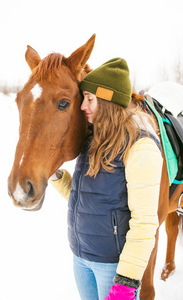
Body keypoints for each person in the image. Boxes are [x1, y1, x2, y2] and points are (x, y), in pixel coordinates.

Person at [50, 58, 163, 300]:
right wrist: (59, 177)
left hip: (113, 267)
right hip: (81, 259)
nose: (83, 106)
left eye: (89, 99)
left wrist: (126, 281)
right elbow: (85, 199)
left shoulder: (140, 145)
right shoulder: (94, 138)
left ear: (108, 101)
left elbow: (145, 222)